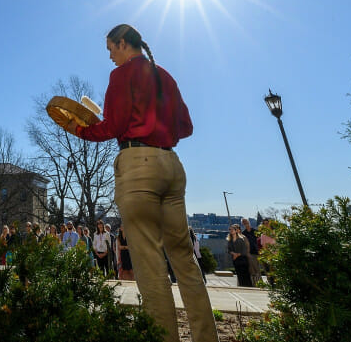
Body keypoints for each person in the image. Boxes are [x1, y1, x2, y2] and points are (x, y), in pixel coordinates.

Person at [62, 23, 218, 342]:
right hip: (171, 164)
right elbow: (186, 127)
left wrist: (79, 129)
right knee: (185, 262)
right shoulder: (165, 75)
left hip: (139, 165)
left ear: (123, 43)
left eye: (110, 49)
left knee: (149, 265)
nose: (109, 56)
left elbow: (114, 125)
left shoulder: (122, 75)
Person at [241, 218, 261, 286]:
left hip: (257, 252)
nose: (245, 223)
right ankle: (255, 284)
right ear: (242, 224)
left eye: (246, 221)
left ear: (249, 222)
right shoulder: (243, 233)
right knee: (252, 270)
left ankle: (260, 283)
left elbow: (260, 241)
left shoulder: (255, 231)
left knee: (257, 268)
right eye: (244, 222)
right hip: (249, 253)